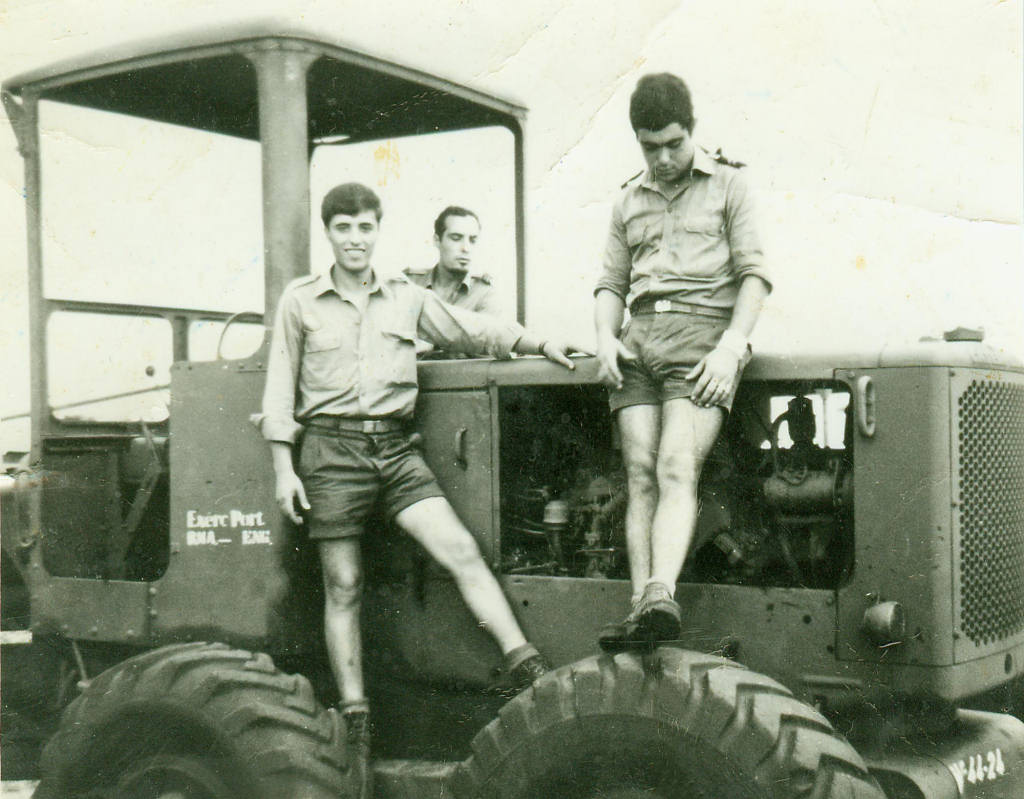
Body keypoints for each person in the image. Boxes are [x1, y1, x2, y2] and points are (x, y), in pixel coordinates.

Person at [255, 183, 573, 793]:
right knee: (343, 583)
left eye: (365, 227)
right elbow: (278, 390)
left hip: (396, 450)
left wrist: (539, 343)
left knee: (460, 550)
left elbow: (471, 330)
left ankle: (526, 665)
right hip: (330, 453)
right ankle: (356, 717)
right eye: (344, 227)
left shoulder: (406, 296)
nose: (355, 239)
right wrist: (284, 469)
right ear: (329, 232)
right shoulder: (301, 302)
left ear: (378, 231)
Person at [593, 73, 772, 646]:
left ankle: (659, 596)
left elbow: (755, 276)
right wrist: (604, 337)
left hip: (702, 340)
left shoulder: (730, 186)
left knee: (676, 466)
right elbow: (611, 283)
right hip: (638, 340)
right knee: (639, 473)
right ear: (638, 141)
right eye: (651, 147)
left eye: (674, 143)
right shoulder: (627, 200)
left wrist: (731, 347)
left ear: (692, 130)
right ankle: (639, 610)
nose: (664, 158)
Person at [403, 205, 498, 314]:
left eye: (472, 240)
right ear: (437, 240)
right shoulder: (411, 283)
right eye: (456, 238)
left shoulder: (485, 293)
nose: (466, 248)